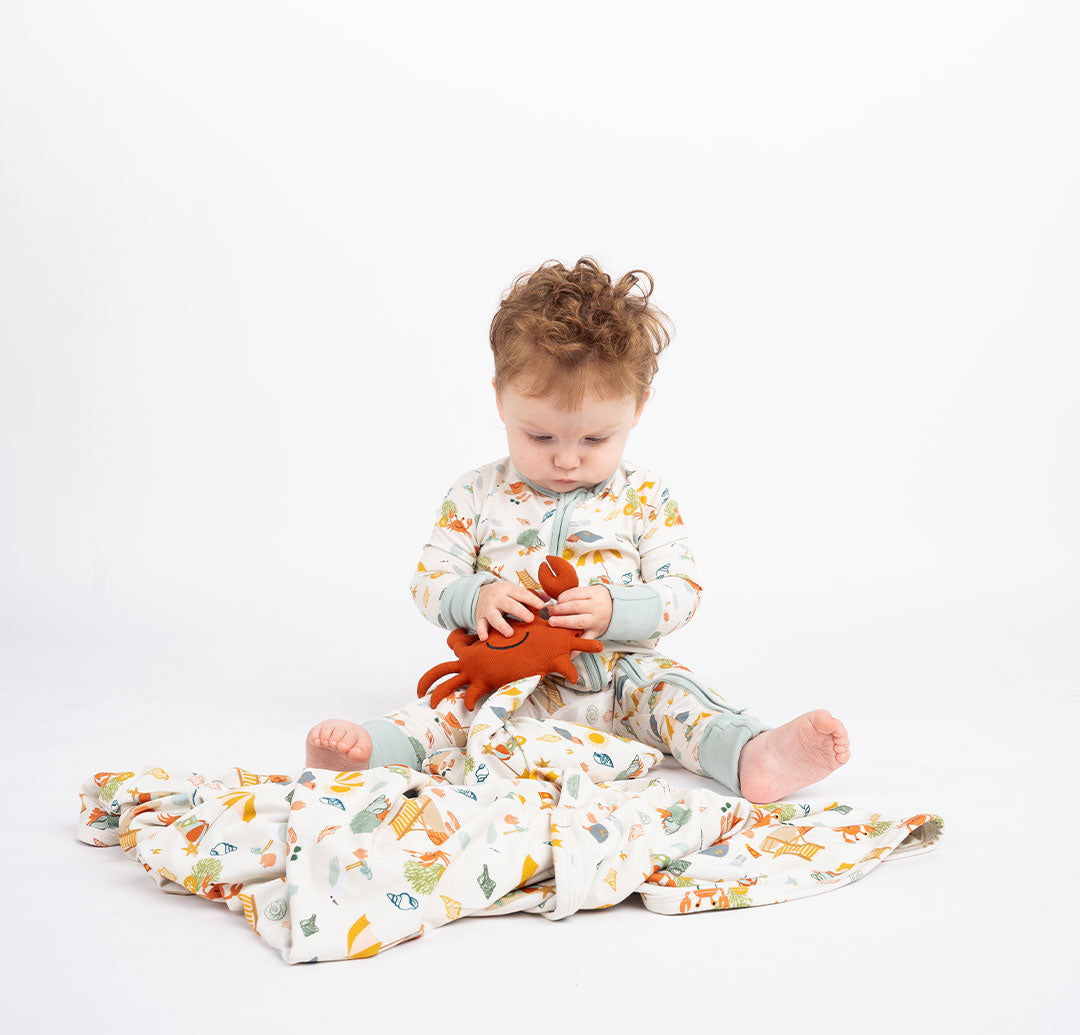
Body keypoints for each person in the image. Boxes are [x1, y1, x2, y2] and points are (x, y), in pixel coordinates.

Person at [305, 257, 850, 802]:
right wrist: (476, 596)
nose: (567, 460)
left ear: (637, 409)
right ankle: (368, 752)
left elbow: (683, 591)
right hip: (505, 676)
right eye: (540, 437)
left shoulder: (646, 496)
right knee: (447, 711)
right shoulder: (474, 493)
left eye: (594, 440)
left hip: (618, 675)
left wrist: (617, 608)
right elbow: (429, 579)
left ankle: (752, 755)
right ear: (500, 399)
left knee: (679, 699)